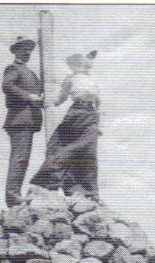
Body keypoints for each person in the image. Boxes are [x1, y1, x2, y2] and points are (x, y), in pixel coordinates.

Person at [30, 50, 102, 203]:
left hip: (91, 115)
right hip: (76, 113)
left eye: (84, 64)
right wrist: (48, 103)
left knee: (88, 153)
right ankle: (50, 183)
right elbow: (60, 98)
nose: (83, 66)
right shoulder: (70, 79)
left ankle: (89, 191)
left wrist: (98, 123)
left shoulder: (92, 81)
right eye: (79, 64)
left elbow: (98, 102)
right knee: (60, 147)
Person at [2, 36, 43, 207]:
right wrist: (29, 96)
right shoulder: (13, 68)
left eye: (29, 50)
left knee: (23, 159)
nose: (27, 53)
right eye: (23, 49)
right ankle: (12, 195)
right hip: (19, 120)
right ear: (16, 51)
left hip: (29, 121)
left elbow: (38, 93)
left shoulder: (31, 73)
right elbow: (7, 86)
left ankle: (15, 194)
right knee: (19, 158)